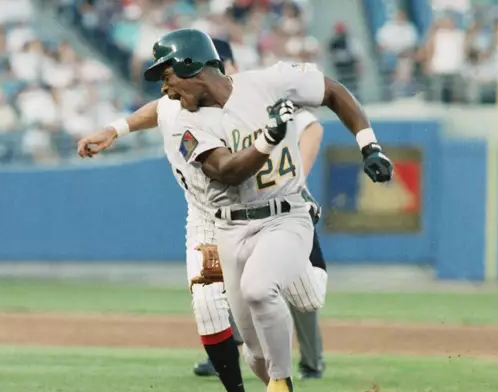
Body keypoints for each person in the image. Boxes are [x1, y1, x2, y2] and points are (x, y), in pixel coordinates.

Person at [139, 29, 392, 392]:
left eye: (167, 76)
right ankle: (277, 376)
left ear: (191, 66)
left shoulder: (268, 81)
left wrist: (369, 146)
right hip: (230, 230)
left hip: (284, 215)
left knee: (261, 290)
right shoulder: (186, 124)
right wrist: (268, 138)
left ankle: (282, 383)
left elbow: (333, 90)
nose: (165, 89)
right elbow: (227, 171)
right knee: (255, 355)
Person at [77, 38, 327, 382]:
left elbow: (309, 127)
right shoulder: (176, 102)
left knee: (308, 299)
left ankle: (309, 251)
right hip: (206, 219)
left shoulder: (256, 94)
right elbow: (157, 109)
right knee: (209, 306)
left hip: (265, 210)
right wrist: (114, 130)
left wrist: (298, 185)